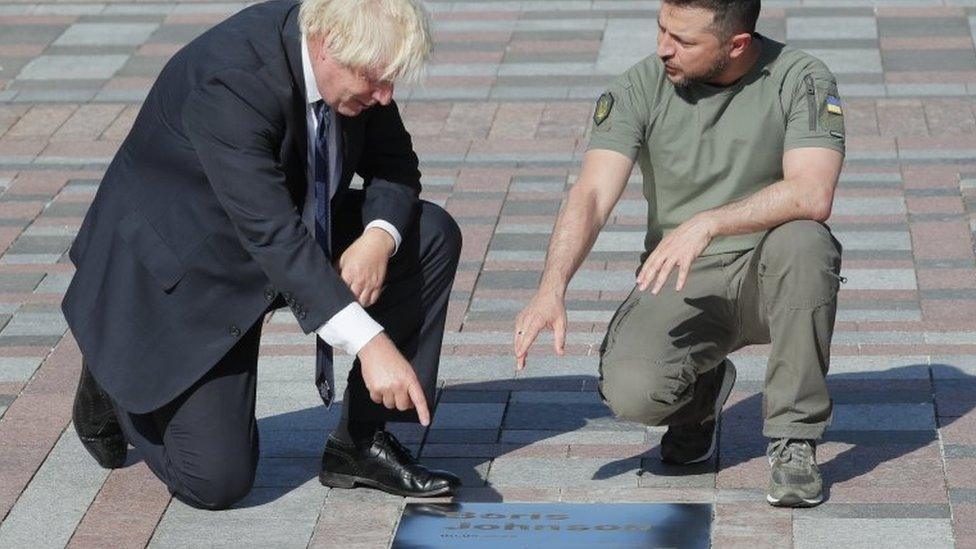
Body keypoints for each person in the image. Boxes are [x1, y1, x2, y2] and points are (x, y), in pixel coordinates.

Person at [63, 0, 463, 510]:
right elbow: (271, 234)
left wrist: (377, 239)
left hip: (280, 228)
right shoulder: (233, 83)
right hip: (185, 268)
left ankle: (361, 444)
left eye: (392, 81)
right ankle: (113, 368)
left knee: (429, 233)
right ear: (326, 46)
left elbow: (398, 166)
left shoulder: (358, 62)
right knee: (216, 481)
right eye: (375, 80)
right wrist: (371, 344)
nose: (385, 96)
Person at [514, 0, 845, 508]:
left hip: (770, 271)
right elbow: (592, 195)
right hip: (682, 275)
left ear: (737, 44)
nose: (664, 49)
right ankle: (700, 398)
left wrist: (708, 221)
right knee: (632, 392)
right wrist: (551, 287)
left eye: (685, 41)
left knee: (805, 241)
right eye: (662, 30)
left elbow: (811, 193)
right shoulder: (640, 86)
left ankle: (794, 439)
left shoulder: (799, 78)